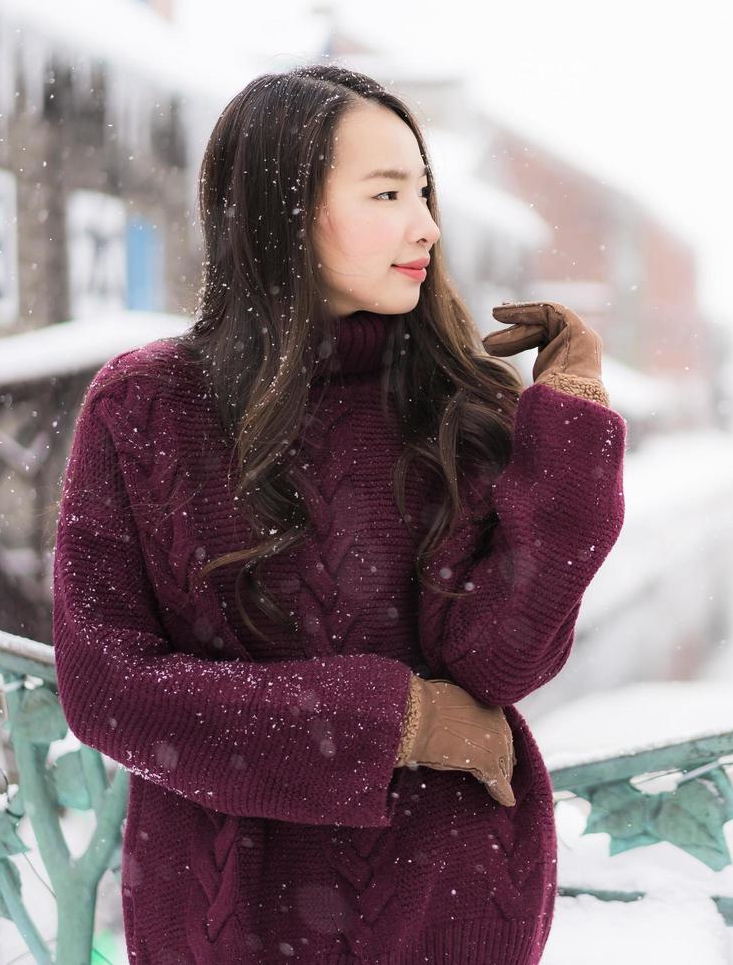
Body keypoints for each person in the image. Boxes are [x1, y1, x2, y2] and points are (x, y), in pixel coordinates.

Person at [51, 63, 625, 964]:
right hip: (217, 917)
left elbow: (500, 657)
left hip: (446, 910)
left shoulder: (462, 406)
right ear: (282, 211)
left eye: (425, 190)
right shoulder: (146, 408)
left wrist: (574, 424)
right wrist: (402, 725)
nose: (426, 224)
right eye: (388, 192)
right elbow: (107, 687)